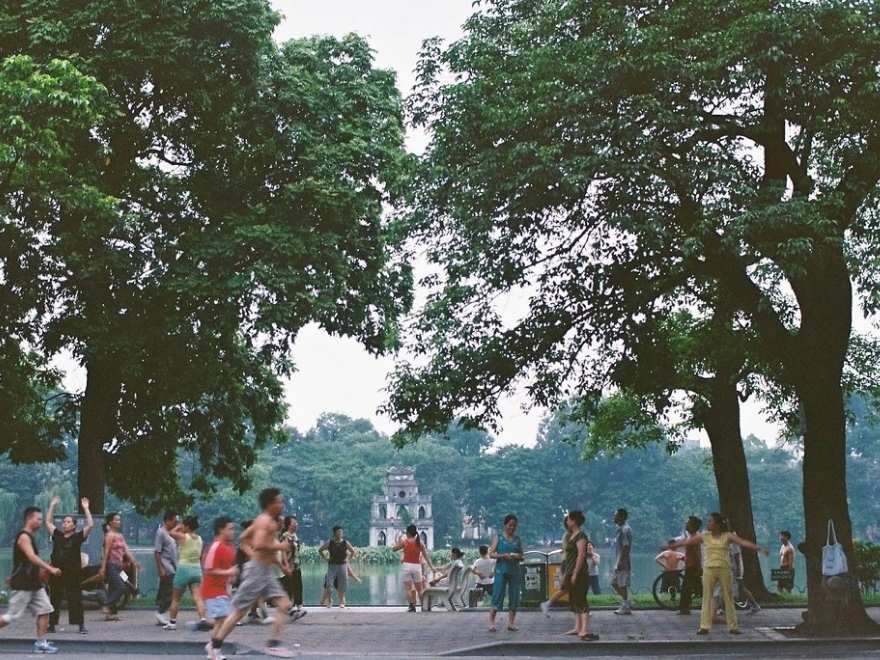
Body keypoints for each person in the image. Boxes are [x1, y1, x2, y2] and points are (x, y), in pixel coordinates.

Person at [206, 487, 298, 659]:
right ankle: (214, 645)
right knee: (239, 612)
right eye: (279, 501)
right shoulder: (264, 521)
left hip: (264, 570)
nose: (282, 504)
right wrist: (280, 547)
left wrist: (280, 564)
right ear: (270, 504)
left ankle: (273, 644)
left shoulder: (266, 521)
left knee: (285, 604)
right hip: (257, 571)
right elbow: (260, 544)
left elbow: (244, 539)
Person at [669, 512, 769, 635]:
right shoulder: (705, 536)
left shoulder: (727, 536)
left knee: (728, 597)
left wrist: (759, 548)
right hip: (709, 569)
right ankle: (704, 626)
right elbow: (687, 543)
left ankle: (733, 627)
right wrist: (670, 546)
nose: (708, 523)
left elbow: (743, 542)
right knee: (707, 597)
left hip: (724, 569)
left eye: (711, 521)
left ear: (717, 524)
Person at [0, 506, 62, 654]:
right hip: (23, 584)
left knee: (45, 609)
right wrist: (50, 568)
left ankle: (41, 643)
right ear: (29, 519)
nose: (40, 522)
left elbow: (22, 562)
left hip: (34, 583)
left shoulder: (30, 536)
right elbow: (31, 557)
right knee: (11, 616)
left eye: (41, 519)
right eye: (38, 519)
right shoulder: (24, 537)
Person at [46, 496, 93, 634]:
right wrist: (52, 506)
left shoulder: (78, 537)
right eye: (64, 522)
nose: (64, 524)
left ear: (74, 525)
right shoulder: (58, 535)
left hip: (73, 573)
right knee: (54, 598)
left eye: (67, 522)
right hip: (57, 572)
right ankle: (52, 624)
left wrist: (86, 508)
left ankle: (80, 625)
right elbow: (48, 522)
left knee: (76, 598)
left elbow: (90, 525)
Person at [165, 515, 209, 631]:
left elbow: (170, 532)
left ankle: (172, 623)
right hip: (196, 569)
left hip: (184, 569)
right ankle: (203, 619)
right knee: (198, 597)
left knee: (176, 598)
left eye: (184, 525)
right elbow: (200, 556)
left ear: (187, 526)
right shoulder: (200, 539)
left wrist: (178, 526)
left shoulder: (183, 537)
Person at [560, 511, 598, 641]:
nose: (567, 521)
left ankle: (584, 629)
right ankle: (577, 627)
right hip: (570, 571)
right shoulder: (571, 536)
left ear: (574, 521)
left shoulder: (581, 536)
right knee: (574, 599)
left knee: (581, 599)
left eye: (569, 519)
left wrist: (575, 573)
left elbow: (581, 556)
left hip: (580, 573)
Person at [202, 518, 238, 647]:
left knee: (223, 621)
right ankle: (213, 648)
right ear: (221, 530)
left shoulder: (230, 548)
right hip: (212, 591)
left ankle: (212, 646)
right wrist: (229, 572)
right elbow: (208, 569)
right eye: (230, 529)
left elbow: (229, 568)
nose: (233, 532)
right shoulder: (215, 546)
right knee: (223, 620)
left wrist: (231, 579)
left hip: (222, 590)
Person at [99, 512, 139, 621]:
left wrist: (134, 562)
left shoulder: (120, 536)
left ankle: (111, 614)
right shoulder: (109, 535)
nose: (118, 522)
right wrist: (103, 568)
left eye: (119, 520)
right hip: (111, 566)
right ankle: (106, 605)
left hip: (119, 568)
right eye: (116, 520)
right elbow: (105, 552)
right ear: (110, 522)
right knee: (121, 587)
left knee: (117, 587)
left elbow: (126, 550)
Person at [488, 514, 523, 633]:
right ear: (505, 525)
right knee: (497, 595)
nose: (512, 528)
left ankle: (511, 623)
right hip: (501, 570)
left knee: (514, 596)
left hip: (514, 570)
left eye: (514, 526)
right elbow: (491, 554)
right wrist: (503, 556)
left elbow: (521, 556)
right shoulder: (498, 537)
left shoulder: (517, 539)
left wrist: (517, 556)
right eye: (510, 525)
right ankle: (492, 623)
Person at [392, 524, 434, 612]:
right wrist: (432, 567)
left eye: (406, 532)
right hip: (417, 567)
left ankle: (412, 606)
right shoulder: (420, 543)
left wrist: (397, 541)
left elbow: (394, 549)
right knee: (420, 589)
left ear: (408, 533)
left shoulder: (405, 541)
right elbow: (426, 557)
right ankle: (424, 606)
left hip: (406, 566)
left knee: (408, 588)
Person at [540, 514, 571, 616]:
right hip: (568, 563)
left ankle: (581, 610)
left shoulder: (569, 534)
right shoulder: (569, 535)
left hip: (567, 562)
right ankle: (547, 604)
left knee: (570, 588)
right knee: (567, 588)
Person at [319, 526, 356, 608]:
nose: (340, 533)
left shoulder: (345, 542)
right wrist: (326, 558)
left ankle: (342, 602)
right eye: (338, 532)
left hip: (342, 565)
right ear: (334, 533)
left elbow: (353, 551)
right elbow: (320, 550)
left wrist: (347, 559)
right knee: (329, 584)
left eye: (341, 532)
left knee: (342, 584)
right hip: (332, 566)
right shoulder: (330, 542)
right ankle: (329, 601)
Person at [154, 510, 179, 626]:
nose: (176, 523)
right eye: (174, 521)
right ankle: (160, 612)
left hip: (173, 567)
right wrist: (160, 569)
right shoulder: (161, 532)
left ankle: (161, 613)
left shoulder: (171, 533)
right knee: (170, 592)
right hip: (166, 567)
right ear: (168, 520)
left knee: (165, 591)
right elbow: (157, 552)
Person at [280, 516, 306, 621]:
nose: (296, 524)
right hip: (289, 566)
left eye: (297, 523)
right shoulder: (285, 536)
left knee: (298, 586)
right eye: (294, 523)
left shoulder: (295, 536)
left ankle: (298, 608)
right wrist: (286, 564)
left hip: (296, 565)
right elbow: (283, 552)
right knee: (289, 588)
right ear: (288, 525)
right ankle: (290, 609)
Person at [678, 516, 702, 616]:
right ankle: (685, 608)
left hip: (692, 566)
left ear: (692, 526)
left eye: (688, 523)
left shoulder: (695, 538)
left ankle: (685, 608)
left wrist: (699, 566)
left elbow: (697, 553)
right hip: (690, 564)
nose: (686, 525)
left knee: (687, 587)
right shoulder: (691, 536)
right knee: (694, 587)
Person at [611, 508, 633, 615]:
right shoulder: (620, 529)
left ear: (621, 517)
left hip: (623, 562)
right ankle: (627, 602)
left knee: (622, 584)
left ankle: (626, 606)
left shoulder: (625, 530)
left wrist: (620, 561)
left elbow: (625, 547)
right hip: (619, 561)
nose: (613, 517)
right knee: (615, 583)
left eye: (615, 515)